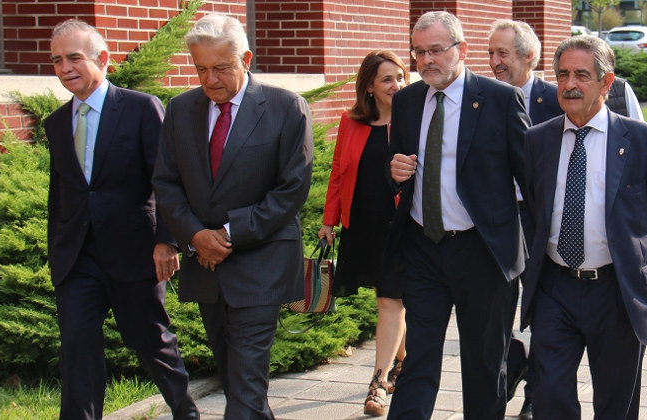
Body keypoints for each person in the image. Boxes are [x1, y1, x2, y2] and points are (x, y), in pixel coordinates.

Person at [151, 13, 313, 419]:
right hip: (205, 265)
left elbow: (291, 190)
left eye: (221, 68)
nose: (210, 80)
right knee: (237, 378)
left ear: (246, 58)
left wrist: (226, 233)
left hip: (262, 261)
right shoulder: (181, 109)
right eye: (201, 69)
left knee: (243, 388)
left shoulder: (285, 107)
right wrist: (194, 235)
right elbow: (166, 183)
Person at [45, 19, 197, 420]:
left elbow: (166, 178)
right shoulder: (57, 123)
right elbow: (59, 193)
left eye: (74, 58)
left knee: (150, 341)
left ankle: (185, 410)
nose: (65, 68)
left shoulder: (141, 108)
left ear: (103, 59)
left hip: (135, 253)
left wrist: (167, 240)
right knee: (77, 348)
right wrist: (55, 253)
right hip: (77, 259)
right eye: (57, 60)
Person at [521, 35, 647, 419]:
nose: (569, 84)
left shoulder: (643, 140)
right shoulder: (538, 140)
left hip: (617, 289)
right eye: (562, 74)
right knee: (550, 394)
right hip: (554, 288)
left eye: (581, 75)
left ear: (607, 83)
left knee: (615, 401)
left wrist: (626, 252)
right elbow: (531, 208)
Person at [385, 11, 530, 419]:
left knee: (485, 366)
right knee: (418, 361)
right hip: (423, 248)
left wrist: (532, 254)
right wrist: (394, 173)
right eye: (418, 52)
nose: (426, 60)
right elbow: (397, 166)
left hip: (483, 252)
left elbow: (530, 182)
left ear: (461, 50)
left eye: (436, 50)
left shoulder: (500, 99)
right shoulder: (407, 100)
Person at [318, 50, 408, 417]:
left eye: (400, 77)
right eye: (387, 79)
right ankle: (403, 360)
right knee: (384, 297)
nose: (397, 85)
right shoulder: (351, 122)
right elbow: (339, 172)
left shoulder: (411, 120)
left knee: (391, 300)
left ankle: (378, 382)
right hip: (363, 224)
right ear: (369, 86)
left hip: (402, 225)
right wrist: (329, 220)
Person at [488, 18, 565, 420]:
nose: (495, 62)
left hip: (542, 221)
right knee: (495, 308)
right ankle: (512, 361)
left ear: (529, 56)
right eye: (491, 53)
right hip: (496, 222)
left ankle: (536, 393)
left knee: (543, 312)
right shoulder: (483, 98)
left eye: (503, 53)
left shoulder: (556, 100)